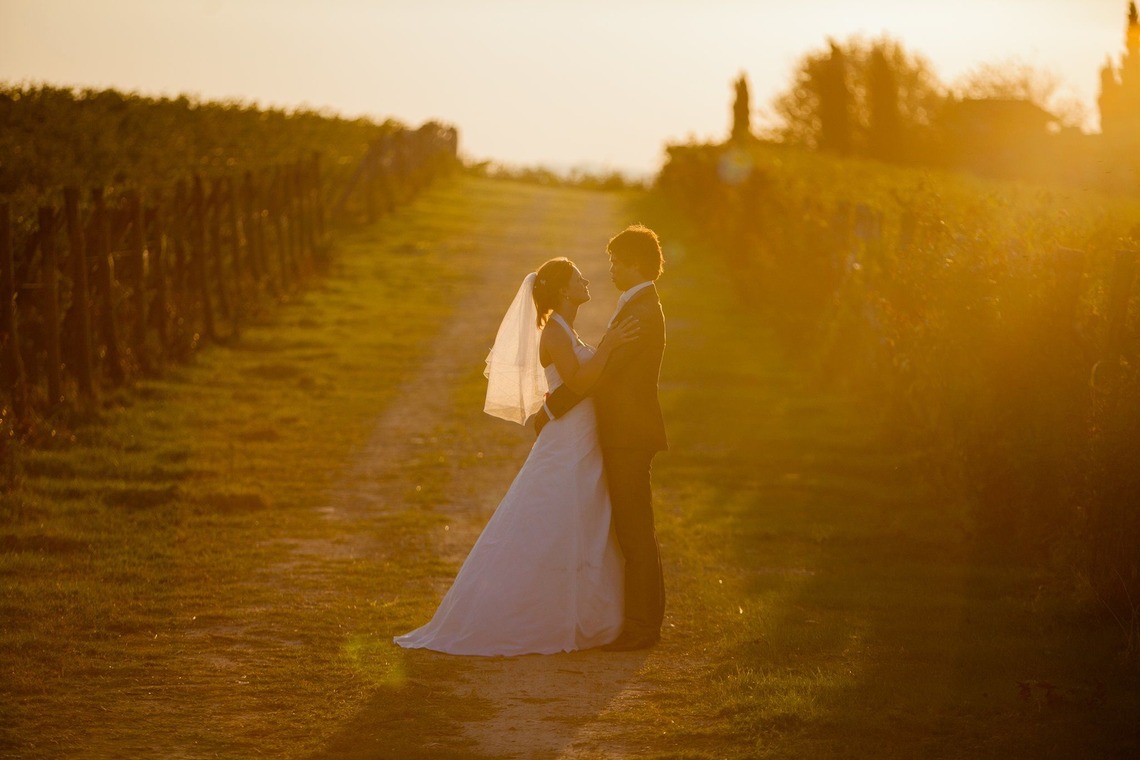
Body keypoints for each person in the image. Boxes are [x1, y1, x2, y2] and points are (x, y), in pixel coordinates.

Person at [394, 258, 640, 656]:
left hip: (580, 436)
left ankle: (580, 613)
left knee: (577, 520)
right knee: (551, 517)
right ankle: (524, 614)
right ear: (563, 290)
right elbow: (578, 382)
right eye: (578, 278)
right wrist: (609, 345)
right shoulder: (555, 333)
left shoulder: (564, 328)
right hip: (569, 440)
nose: (586, 281)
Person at [534, 224, 667, 652]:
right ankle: (633, 622)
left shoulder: (643, 312)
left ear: (637, 265)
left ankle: (643, 628)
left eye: (615, 263)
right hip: (619, 434)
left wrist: (551, 409)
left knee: (635, 533)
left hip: (628, 436)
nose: (609, 270)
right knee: (626, 531)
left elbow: (601, 376)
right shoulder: (636, 306)